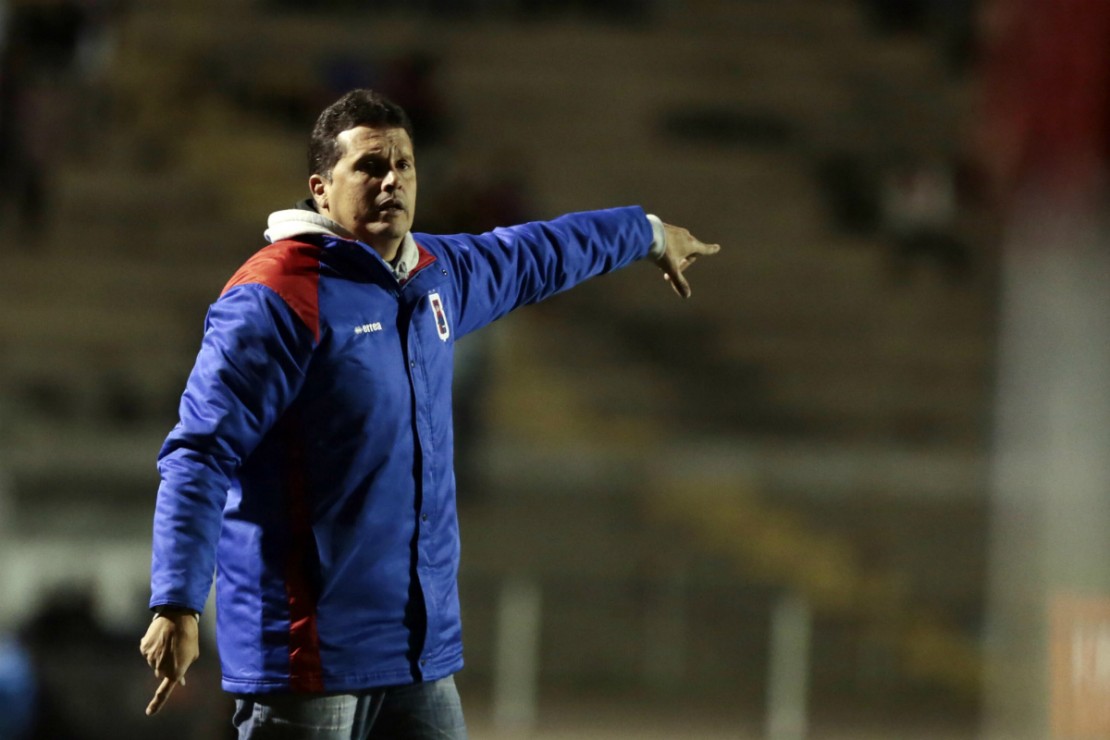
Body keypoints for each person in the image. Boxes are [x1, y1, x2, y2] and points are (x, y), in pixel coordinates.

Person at [139, 88, 720, 739]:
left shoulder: (434, 275)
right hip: (309, 659)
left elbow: (537, 253)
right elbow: (201, 453)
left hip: (416, 655)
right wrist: (177, 601)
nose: (392, 180)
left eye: (404, 165)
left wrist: (646, 234)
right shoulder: (276, 297)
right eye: (370, 166)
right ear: (321, 189)